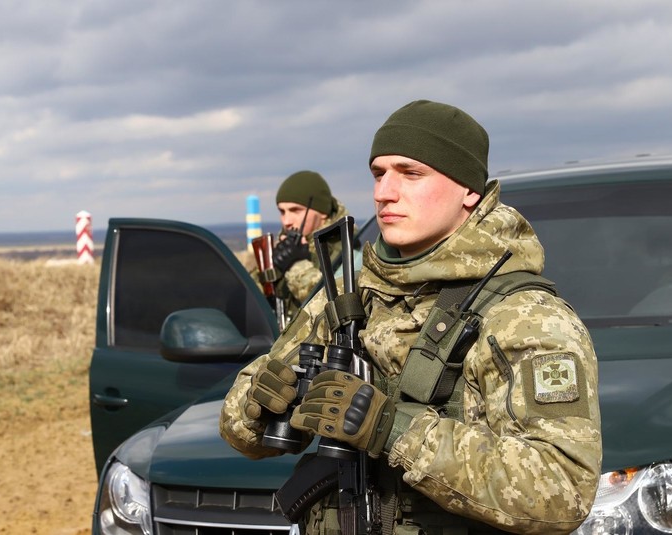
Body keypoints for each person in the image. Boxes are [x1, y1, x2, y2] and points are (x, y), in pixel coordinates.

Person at [221, 100, 602, 534]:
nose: (384, 192)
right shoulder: (351, 295)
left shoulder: (523, 316)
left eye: (410, 173)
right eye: (378, 174)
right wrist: (259, 406)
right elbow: (239, 427)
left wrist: (392, 429)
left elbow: (562, 491)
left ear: (468, 190)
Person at [255, 170, 352, 324]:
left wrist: (296, 265)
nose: (286, 221)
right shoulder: (285, 246)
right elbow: (250, 296)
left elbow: (336, 312)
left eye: (295, 210)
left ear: (322, 212)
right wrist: (270, 272)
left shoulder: (347, 251)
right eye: (282, 211)